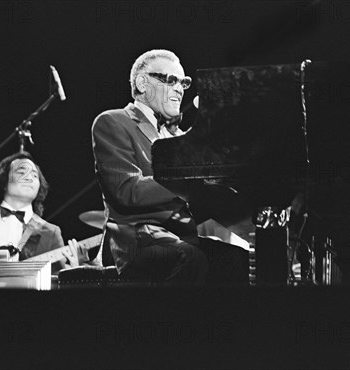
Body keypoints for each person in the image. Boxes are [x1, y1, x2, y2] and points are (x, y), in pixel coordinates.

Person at [91, 49, 248, 285]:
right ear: (143, 83)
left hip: (180, 236)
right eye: (171, 80)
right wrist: (189, 179)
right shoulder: (113, 121)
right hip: (138, 239)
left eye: (183, 83)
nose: (179, 89)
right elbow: (126, 190)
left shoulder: (176, 137)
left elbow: (197, 195)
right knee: (191, 258)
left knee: (238, 260)